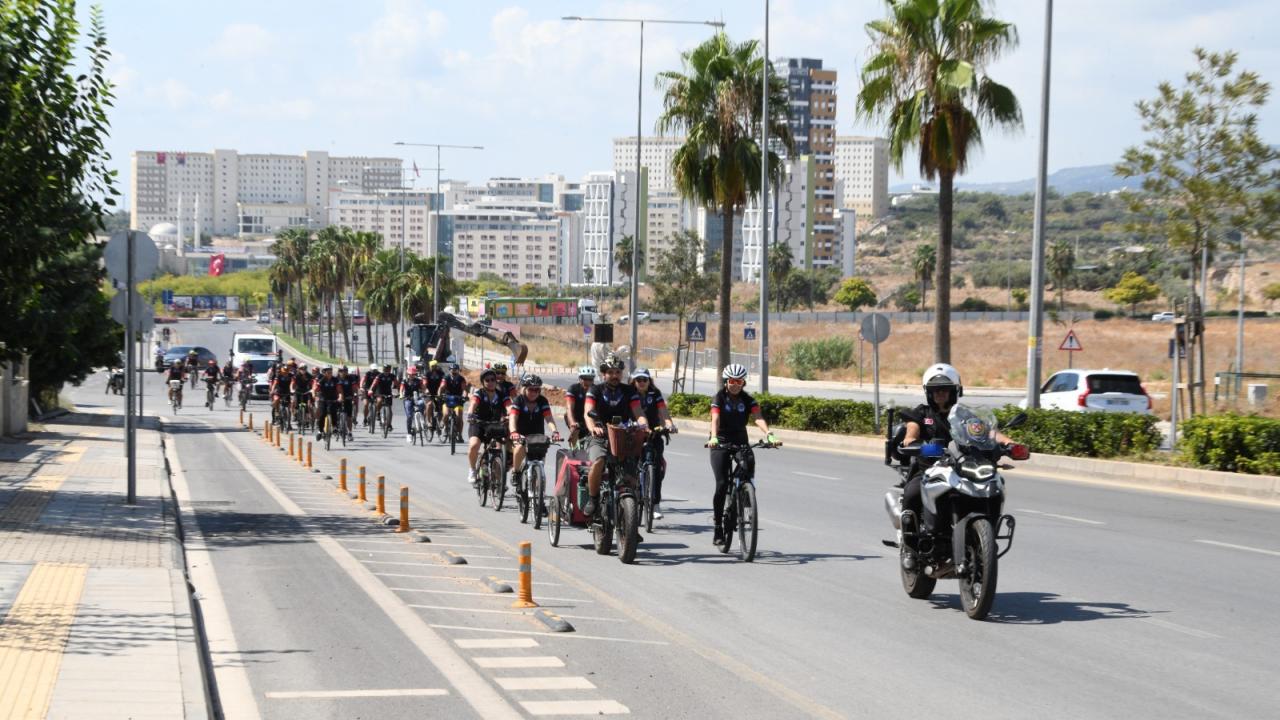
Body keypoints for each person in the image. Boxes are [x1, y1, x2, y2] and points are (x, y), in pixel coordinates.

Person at [898, 363, 1013, 533]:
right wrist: (910, 440)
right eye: (936, 389)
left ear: (955, 391)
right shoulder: (922, 413)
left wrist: (1010, 444)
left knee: (993, 485)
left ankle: (986, 534)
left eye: (945, 389)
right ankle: (910, 542)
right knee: (912, 494)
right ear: (928, 392)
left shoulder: (964, 415)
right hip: (929, 468)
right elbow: (912, 429)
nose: (940, 393)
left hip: (963, 467)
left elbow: (989, 433)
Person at [707, 363, 779, 546]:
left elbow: (758, 417)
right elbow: (715, 418)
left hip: (740, 441)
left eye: (739, 381)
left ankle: (745, 497)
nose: (735, 385)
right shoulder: (719, 398)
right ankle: (717, 527)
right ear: (726, 381)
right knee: (722, 483)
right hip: (720, 442)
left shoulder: (748, 399)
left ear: (743, 382)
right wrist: (714, 437)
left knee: (748, 463)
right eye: (732, 381)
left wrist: (768, 434)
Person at [582, 354, 649, 517]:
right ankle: (593, 498)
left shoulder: (629, 391)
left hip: (623, 437)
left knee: (632, 474)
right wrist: (593, 428)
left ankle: (630, 524)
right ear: (604, 374)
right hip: (599, 436)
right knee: (598, 461)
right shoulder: (595, 390)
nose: (614, 376)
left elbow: (638, 412)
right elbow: (587, 412)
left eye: (618, 372)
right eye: (610, 372)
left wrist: (644, 425)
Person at [632, 368, 676, 519]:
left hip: (654, 433)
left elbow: (663, 411)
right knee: (630, 466)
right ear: (633, 381)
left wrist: (669, 424)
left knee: (656, 468)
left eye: (644, 379)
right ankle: (631, 499)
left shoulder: (655, 394)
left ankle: (655, 503)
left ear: (649, 380)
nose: (642, 383)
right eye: (638, 380)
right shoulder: (629, 393)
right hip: (634, 434)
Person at [507, 374, 561, 489]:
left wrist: (555, 432)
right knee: (519, 449)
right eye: (531, 389)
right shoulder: (519, 400)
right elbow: (513, 418)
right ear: (524, 389)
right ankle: (516, 473)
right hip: (520, 435)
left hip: (537, 436)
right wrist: (513, 432)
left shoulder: (542, 401)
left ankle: (537, 494)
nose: (534, 392)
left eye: (537, 390)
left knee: (540, 462)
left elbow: (549, 418)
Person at [466, 368, 510, 486]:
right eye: (487, 380)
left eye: (493, 380)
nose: (490, 382)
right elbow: (473, 404)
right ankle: (472, 470)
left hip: (495, 426)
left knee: (500, 451)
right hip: (478, 423)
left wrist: (511, 415)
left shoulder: (502, 395)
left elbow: (509, 406)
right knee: (474, 445)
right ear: (483, 382)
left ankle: (499, 481)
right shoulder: (479, 393)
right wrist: (470, 413)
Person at [564, 366, 595, 448]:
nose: (587, 382)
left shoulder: (596, 390)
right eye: (585, 379)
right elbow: (569, 409)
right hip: (575, 417)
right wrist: (572, 423)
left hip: (588, 418)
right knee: (576, 429)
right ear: (580, 379)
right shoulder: (573, 389)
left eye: (590, 379)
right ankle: (573, 450)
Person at [312, 366, 344, 440]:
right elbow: (315, 389)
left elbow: (339, 391)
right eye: (328, 372)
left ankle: (335, 428)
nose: (330, 373)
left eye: (331, 371)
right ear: (324, 372)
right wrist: (314, 395)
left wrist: (340, 397)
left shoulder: (335, 380)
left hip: (333, 399)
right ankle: (320, 431)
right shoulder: (321, 379)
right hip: (323, 399)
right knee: (322, 414)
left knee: (334, 413)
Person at [400, 365, 426, 443]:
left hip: (417, 398)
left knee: (422, 404)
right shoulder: (404, 381)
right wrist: (401, 394)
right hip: (408, 399)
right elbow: (401, 388)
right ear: (408, 374)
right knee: (409, 416)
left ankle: (422, 419)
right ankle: (409, 434)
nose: (411, 375)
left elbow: (423, 388)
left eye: (413, 374)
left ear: (415, 374)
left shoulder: (418, 381)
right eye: (410, 374)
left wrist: (425, 392)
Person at [441, 363, 469, 433]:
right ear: (449, 371)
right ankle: (445, 426)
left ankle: (460, 435)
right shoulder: (446, 378)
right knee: (446, 414)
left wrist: (465, 396)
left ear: (458, 371)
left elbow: (465, 389)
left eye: (455, 370)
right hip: (447, 398)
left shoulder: (461, 379)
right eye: (452, 370)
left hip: (458, 399)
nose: (454, 372)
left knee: (459, 416)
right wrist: (439, 395)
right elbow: (441, 387)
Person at [423, 360, 446, 432]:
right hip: (429, 393)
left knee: (441, 408)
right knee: (429, 404)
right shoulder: (427, 373)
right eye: (433, 366)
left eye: (435, 366)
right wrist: (426, 389)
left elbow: (444, 382)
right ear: (430, 367)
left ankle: (439, 423)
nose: (434, 367)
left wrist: (444, 390)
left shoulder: (441, 373)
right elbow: (424, 383)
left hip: (439, 393)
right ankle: (428, 421)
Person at [336, 366, 358, 435]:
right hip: (337, 399)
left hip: (348, 398)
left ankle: (350, 432)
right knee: (334, 412)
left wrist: (354, 396)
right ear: (339, 372)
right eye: (341, 371)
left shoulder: (351, 378)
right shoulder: (335, 379)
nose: (343, 372)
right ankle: (335, 427)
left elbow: (354, 389)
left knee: (349, 417)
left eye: (345, 371)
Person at [360, 362, 380, 427]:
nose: (374, 371)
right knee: (366, 404)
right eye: (373, 369)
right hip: (367, 389)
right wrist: (361, 387)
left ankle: (377, 413)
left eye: (375, 369)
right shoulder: (367, 374)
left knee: (379, 401)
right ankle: (365, 418)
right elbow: (362, 380)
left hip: (376, 390)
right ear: (370, 369)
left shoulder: (379, 374)